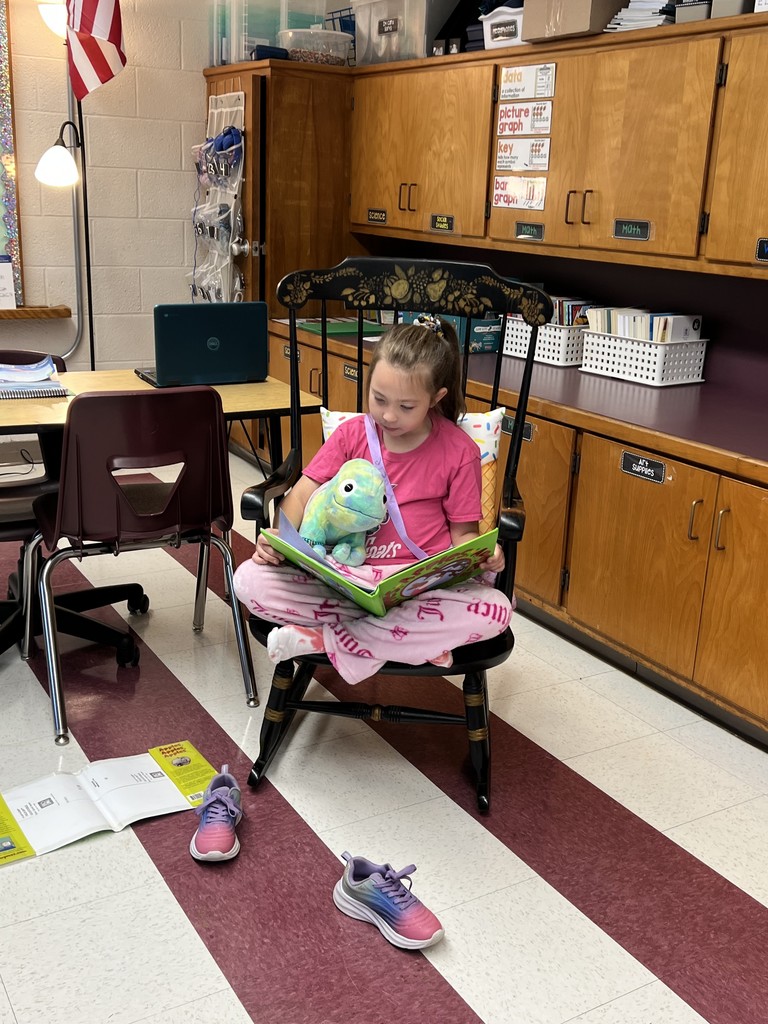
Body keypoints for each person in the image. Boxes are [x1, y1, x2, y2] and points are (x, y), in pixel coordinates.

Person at [232, 314, 513, 685]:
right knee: (248, 581)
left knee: (496, 611)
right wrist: (277, 538)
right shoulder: (353, 435)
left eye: (407, 406)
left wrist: (484, 556)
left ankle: (327, 639)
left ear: (436, 398)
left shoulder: (459, 450)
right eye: (378, 399)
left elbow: (462, 535)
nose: (388, 414)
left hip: (417, 586)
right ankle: (406, 642)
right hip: (345, 577)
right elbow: (300, 496)